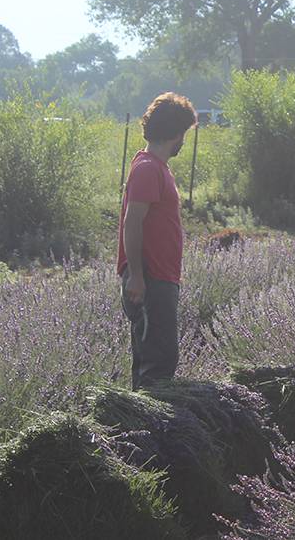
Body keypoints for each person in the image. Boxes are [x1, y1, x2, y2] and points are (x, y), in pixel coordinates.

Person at [117, 92, 197, 390]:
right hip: (150, 278)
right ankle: (151, 425)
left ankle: (142, 423)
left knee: (154, 357)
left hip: (158, 276)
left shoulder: (155, 167)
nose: (183, 141)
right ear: (176, 134)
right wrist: (136, 276)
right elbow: (132, 222)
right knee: (158, 361)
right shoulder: (148, 169)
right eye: (184, 134)